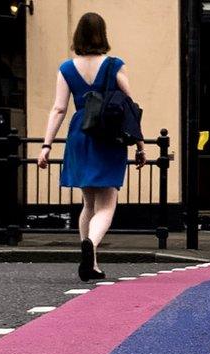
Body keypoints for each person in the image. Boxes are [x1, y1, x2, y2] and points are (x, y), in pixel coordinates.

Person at [38, 12, 146, 282]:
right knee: (107, 203)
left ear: (78, 36)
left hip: (80, 133)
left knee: (88, 203)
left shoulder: (66, 68)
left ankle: (91, 262)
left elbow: (59, 108)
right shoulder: (114, 65)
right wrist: (141, 145)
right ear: (103, 34)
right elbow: (130, 108)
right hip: (107, 135)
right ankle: (91, 245)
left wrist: (46, 146)